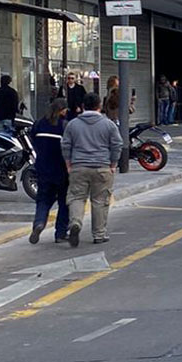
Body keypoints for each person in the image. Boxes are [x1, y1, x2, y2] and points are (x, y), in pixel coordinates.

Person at [62, 92, 122, 247]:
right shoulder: (109, 124)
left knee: (76, 197)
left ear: (83, 106)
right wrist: (113, 164)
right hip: (102, 167)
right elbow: (117, 144)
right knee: (100, 201)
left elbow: (66, 145)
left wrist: (68, 163)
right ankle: (99, 234)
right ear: (99, 106)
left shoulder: (73, 124)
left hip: (78, 166)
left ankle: (75, 223)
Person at [29, 98, 70, 245]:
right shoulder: (64, 125)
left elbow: (33, 140)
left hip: (43, 167)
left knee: (43, 199)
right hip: (61, 169)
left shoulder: (39, 123)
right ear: (62, 110)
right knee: (64, 202)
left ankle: (39, 223)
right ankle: (60, 233)